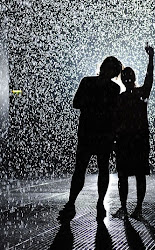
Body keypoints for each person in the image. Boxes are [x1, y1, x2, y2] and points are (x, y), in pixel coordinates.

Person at [58, 56, 122, 222]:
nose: (110, 71)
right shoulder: (111, 88)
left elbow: (78, 103)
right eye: (110, 68)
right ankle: (90, 203)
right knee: (93, 169)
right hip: (97, 133)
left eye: (112, 69)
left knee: (86, 169)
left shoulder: (89, 83)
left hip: (91, 132)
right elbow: (77, 103)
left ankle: (75, 203)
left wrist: (92, 104)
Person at [113, 44, 154, 220]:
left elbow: (150, 76)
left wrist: (151, 58)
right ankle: (132, 209)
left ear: (133, 78)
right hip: (131, 139)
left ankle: (134, 209)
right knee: (129, 175)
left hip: (133, 140)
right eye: (125, 76)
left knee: (134, 175)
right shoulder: (131, 96)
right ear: (122, 79)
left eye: (129, 76)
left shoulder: (136, 94)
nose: (127, 79)